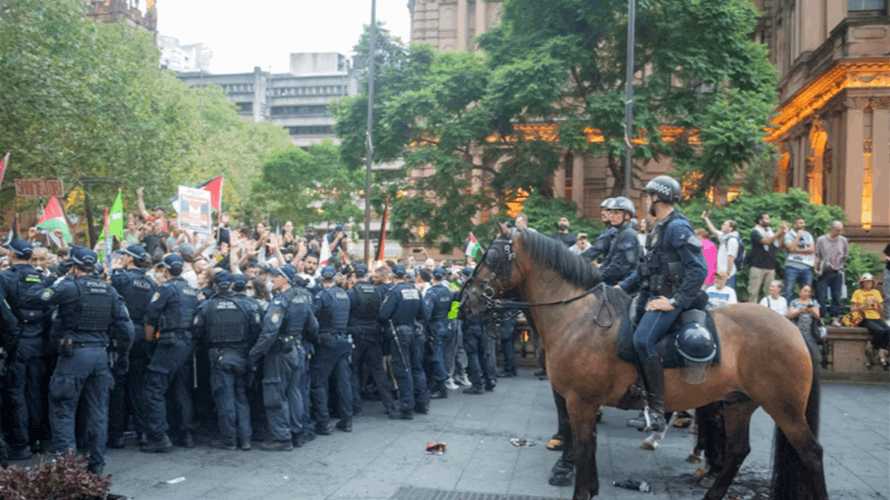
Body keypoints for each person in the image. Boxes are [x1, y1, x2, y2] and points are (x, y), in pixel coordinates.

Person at [24, 246, 134, 476]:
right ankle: (96, 466)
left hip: (73, 356)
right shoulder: (109, 290)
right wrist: (122, 356)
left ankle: (68, 469)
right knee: (98, 411)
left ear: (73, 266)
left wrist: (54, 277)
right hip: (100, 356)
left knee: (63, 410)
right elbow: (126, 328)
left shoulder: (69, 287)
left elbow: (32, 297)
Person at [617, 176, 707, 432]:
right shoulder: (661, 227)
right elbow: (647, 269)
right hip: (651, 294)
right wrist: (621, 287)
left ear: (657, 197)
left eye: (648, 196)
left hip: (668, 298)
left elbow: (699, 269)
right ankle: (637, 392)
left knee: (643, 340)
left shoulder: (677, 227)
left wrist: (675, 301)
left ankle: (657, 412)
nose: (646, 200)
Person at [249, 264, 318, 450]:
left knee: (275, 393)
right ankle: (296, 433)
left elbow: (270, 331)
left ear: (285, 278)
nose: (272, 279)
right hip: (297, 349)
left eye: (275, 276)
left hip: (280, 352)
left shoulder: (281, 300)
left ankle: (282, 438)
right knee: (295, 393)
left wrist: (254, 354)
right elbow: (313, 326)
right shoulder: (302, 297)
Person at [192, 271, 261, 450]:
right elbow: (256, 330)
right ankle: (245, 440)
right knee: (241, 397)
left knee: (225, 399)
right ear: (232, 285)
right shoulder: (247, 305)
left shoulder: (207, 306)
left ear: (214, 285)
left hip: (220, 356)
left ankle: (229, 440)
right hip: (242, 355)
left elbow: (197, 331)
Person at [140, 254, 200, 453]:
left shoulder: (165, 289)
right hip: (187, 343)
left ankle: (159, 437)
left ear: (165, 270)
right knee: (181, 387)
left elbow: (150, 319)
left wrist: (149, 344)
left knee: (153, 388)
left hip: (169, 343)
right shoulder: (192, 290)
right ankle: (185, 434)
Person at [0, 238, 52, 459]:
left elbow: (2, 311)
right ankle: (37, 439)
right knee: (35, 391)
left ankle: (20, 444)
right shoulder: (41, 278)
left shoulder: (5, 277)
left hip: (18, 342)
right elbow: (51, 310)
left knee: (16, 393)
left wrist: (12, 335)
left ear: (12, 255)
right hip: (38, 341)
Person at [108, 245, 158, 449]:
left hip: (121, 334)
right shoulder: (151, 283)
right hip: (142, 335)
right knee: (138, 386)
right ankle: (142, 432)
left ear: (129, 258)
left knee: (118, 385)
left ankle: (116, 435)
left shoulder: (120, 278)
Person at [346, 264, 397, 416]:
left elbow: (347, 315)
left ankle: (356, 405)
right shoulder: (377, 291)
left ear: (355, 276)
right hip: (373, 334)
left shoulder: (352, 292)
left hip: (357, 335)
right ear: (366, 276)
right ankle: (390, 405)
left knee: (354, 370)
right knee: (378, 371)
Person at [378, 264, 427, 419]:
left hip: (399, 334)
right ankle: (422, 403)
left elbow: (383, 315)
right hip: (414, 331)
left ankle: (407, 408)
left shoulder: (393, 293)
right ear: (405, 275)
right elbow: (423, 314)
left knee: (403, 369)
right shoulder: (415, 291)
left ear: (392, 276)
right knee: (417, 368)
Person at [311, 266, 353, 433]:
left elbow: (312, 318)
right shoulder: (344, 294)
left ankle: (323, 422)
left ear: (322, 279)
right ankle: (347, 420)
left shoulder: (323, 295)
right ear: (334, 278)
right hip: (343, 340)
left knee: (318, 382)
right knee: (344, 383)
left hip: (327, 341)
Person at [423, 267, 455, 398]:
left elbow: (427, 314)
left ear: (432, 276)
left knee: (437, 357)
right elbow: (453, 309)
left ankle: (440, 387)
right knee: (442, 355)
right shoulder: (449, 291)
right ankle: (440, 383)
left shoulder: (431, 293)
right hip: (446, 326)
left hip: (435, 327)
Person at [748, 213, 788, 304]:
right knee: (753, 292)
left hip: (770, 267)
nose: (768, 220)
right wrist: (779, 231)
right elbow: (766, 242)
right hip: (757, 267)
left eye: (768, 218)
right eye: (766, 218)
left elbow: (778, 247)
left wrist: (782, 234)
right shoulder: (755, 232)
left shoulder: (770, 232)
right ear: (760, 220)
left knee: (769, 293)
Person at [850, 273, 889, 368]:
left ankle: (879, 350)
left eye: (869, 282)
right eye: (865, 282)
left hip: (875, 317)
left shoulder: (876, 293)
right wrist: (866, 304)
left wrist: (878, 305)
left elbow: (881, 309)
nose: (868, 284)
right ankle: (879, 354)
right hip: (863, 317)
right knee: (880, 331)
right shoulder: (857, 292)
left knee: (887, 330)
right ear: (862, 283)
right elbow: (853, 309)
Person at [599, 197, 641, 286]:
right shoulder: (619, 232)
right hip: (616, 282)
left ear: (627, 215)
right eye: (611, 212)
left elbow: (620, 266)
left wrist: (598, 276)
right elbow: (609, 260)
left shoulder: (628, 234)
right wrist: (596, 273)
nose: (612, 216)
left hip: (626, 286)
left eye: (616, 213)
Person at [814, 221, 848, 326]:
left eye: (841, 230)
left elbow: (846, 254)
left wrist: (845, 258)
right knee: (822, 296)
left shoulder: (843, 240)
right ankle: (821, 318)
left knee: (836, 296)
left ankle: (834, 318)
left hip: (837, 271)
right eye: (837, 230)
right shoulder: (821, 240)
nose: (839, 232)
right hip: (824, 271)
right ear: (831, 228)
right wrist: (815, 268)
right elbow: (817, 255)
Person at [701, 212, 740, 290]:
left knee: (727, 295)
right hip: (720, 273)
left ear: (730, 228)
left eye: (725, 225)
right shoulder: (724, 237)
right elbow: (713, 230)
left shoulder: (732, 240)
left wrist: (727, 274)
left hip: (727, 274)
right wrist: (706, 219)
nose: (722, 226)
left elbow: (731, 258)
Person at [783, 218, 816, 304]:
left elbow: (811, 249)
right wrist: (798, 236)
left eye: (803, 223)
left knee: (807, 291)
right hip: (791, 267)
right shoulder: (788, 235)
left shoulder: (808, 235)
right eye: (801, 223)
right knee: (789, 292)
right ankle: (788, 314)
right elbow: (790, 248)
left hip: (806, 267)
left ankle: (805, 312)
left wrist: (796, 250)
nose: (803, 225)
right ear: (794, 225)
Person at [580, 199, 615, 263]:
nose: (602, 213)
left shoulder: (614, 231)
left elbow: (594, 251)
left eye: (608, 210)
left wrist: (573, 262)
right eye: (603, 210)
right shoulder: (608, 230)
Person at [883, 243, 890, 320]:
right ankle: (888, 319)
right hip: (889, 272)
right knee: (888, 296)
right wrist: (887, 258)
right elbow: (886, 256)